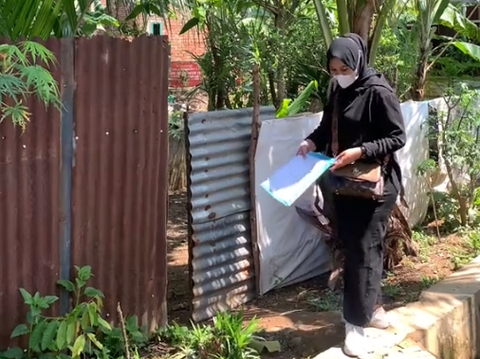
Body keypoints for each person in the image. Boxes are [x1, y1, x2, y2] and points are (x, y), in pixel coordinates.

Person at [297, 33, 406, 357]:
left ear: (357, 62)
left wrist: (360, 150)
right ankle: (372, 308)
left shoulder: (378, 92)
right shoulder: (337, 90)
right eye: (333, 69)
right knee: (361, 250)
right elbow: (326, 126)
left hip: (375, 186)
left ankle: (355, 326)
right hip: (343, 185)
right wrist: (310, 143)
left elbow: (396, 136)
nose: (338, 74)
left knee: (362, 250)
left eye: (344, 68)